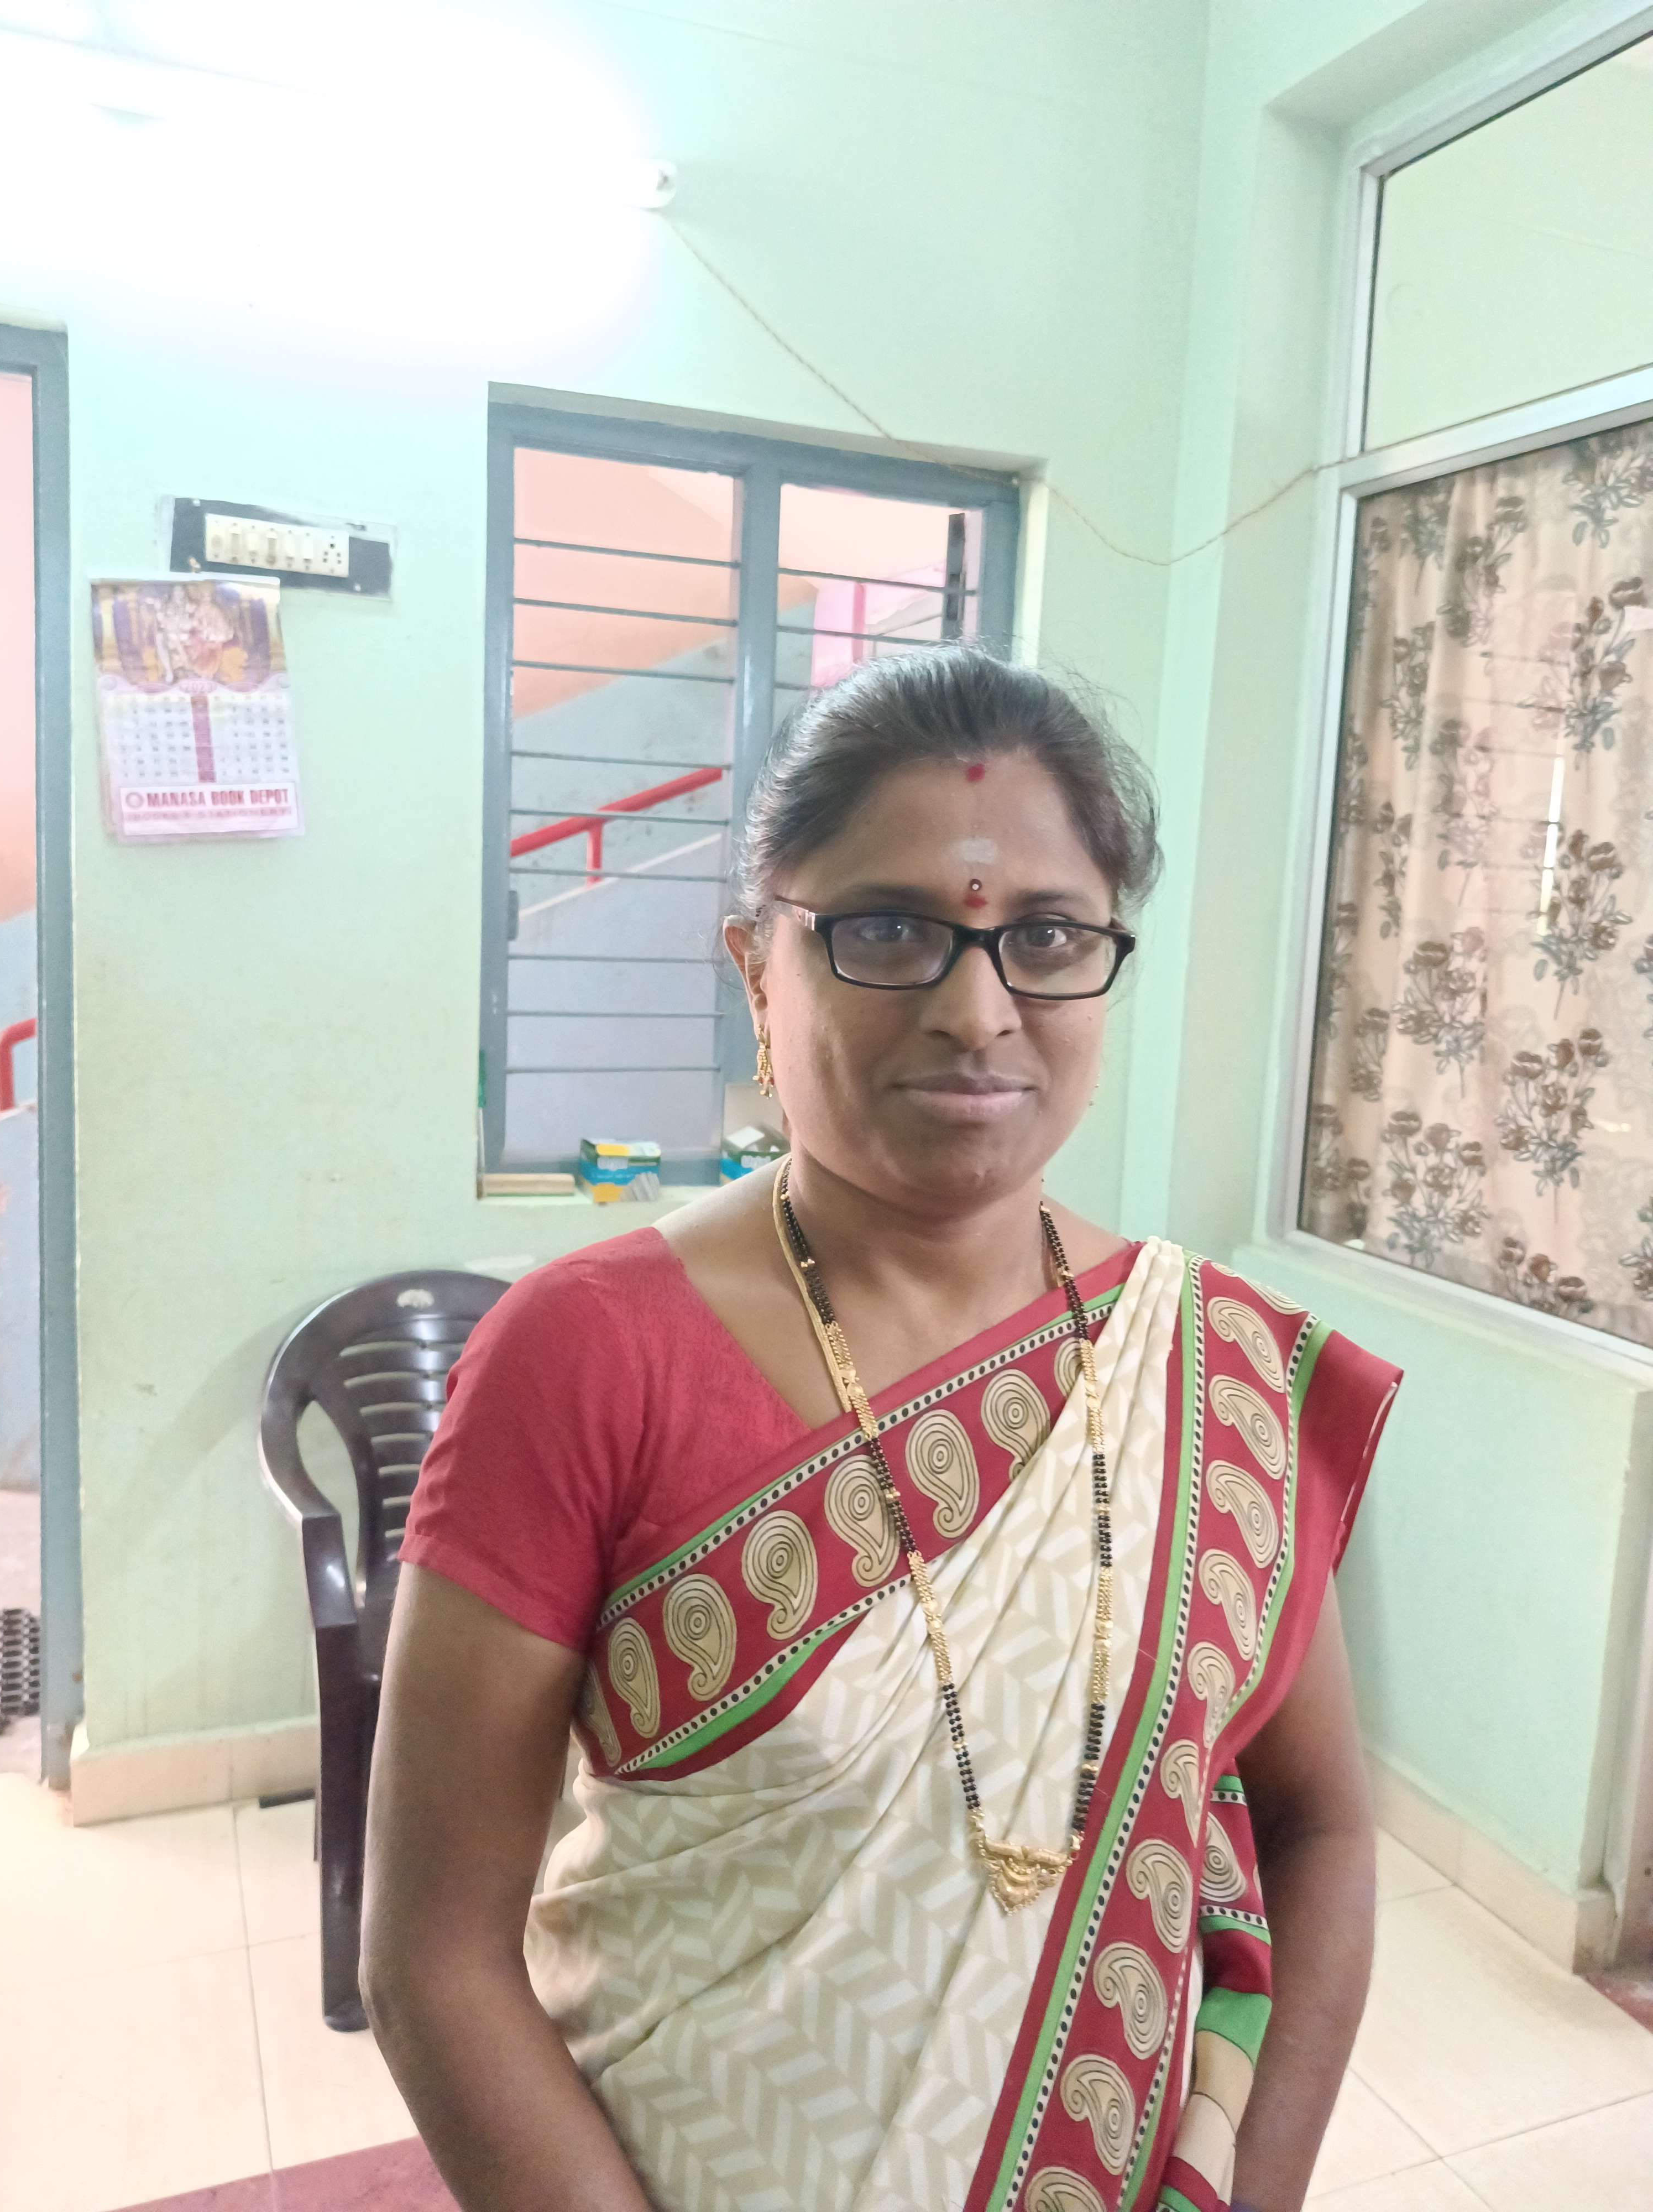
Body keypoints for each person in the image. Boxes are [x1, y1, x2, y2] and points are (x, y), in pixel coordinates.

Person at [364, 649, 1400, 2212]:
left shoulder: (1212, 1365)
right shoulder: (581, 1357)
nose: (979, 1012)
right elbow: (433, 1958)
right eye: (890, 931)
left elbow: (1322, 1833)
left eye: (1045, 936)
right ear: (756, 968)